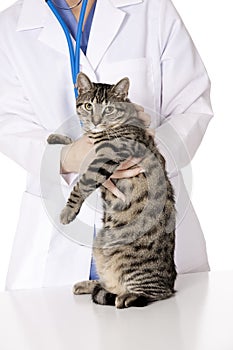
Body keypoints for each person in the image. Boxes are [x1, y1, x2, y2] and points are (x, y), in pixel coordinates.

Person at [0, 0, 213, 290]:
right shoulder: (9, 27)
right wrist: (65, 156)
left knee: (159, 329)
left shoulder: (153, 8)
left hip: (149, 244)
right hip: (52, 260)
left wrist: (143, 156)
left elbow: (192, 106)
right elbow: (8, 123)